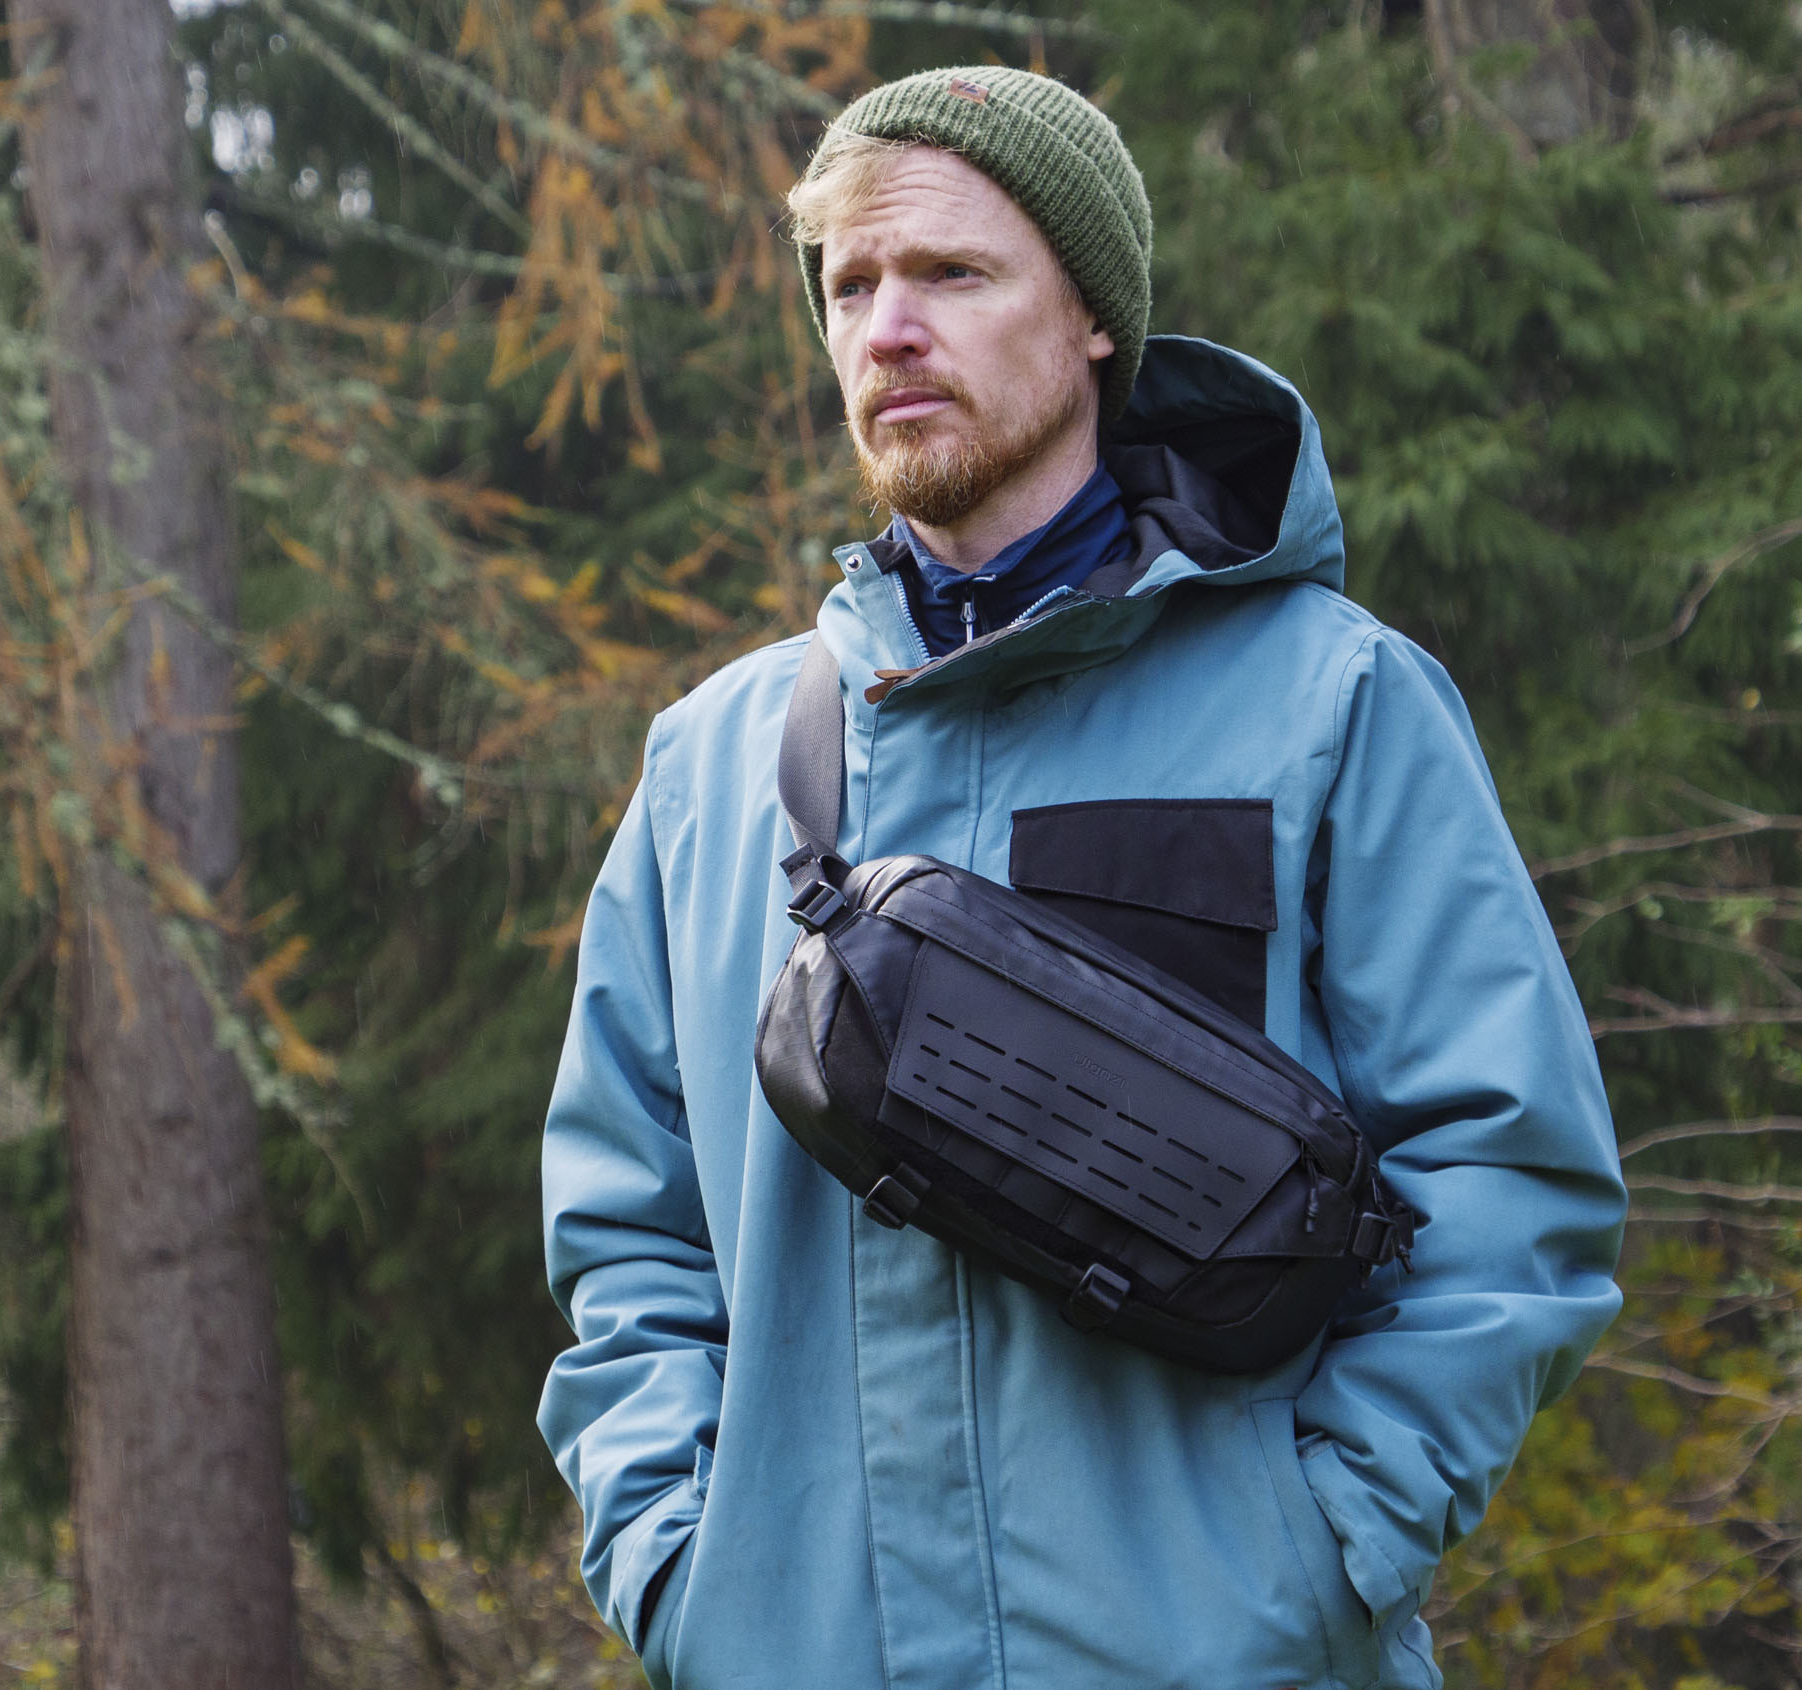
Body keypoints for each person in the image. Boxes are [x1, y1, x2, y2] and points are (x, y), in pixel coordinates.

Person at [536, 66, 1626, 1690]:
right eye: (851, 287)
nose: (888, 329)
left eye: (954, 274)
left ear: (1094, 318)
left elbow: (1510, 1178)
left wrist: (1317, 1558)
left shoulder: (1332, 703)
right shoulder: (714, 768)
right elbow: (627, 1230)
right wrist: (687, 1576)